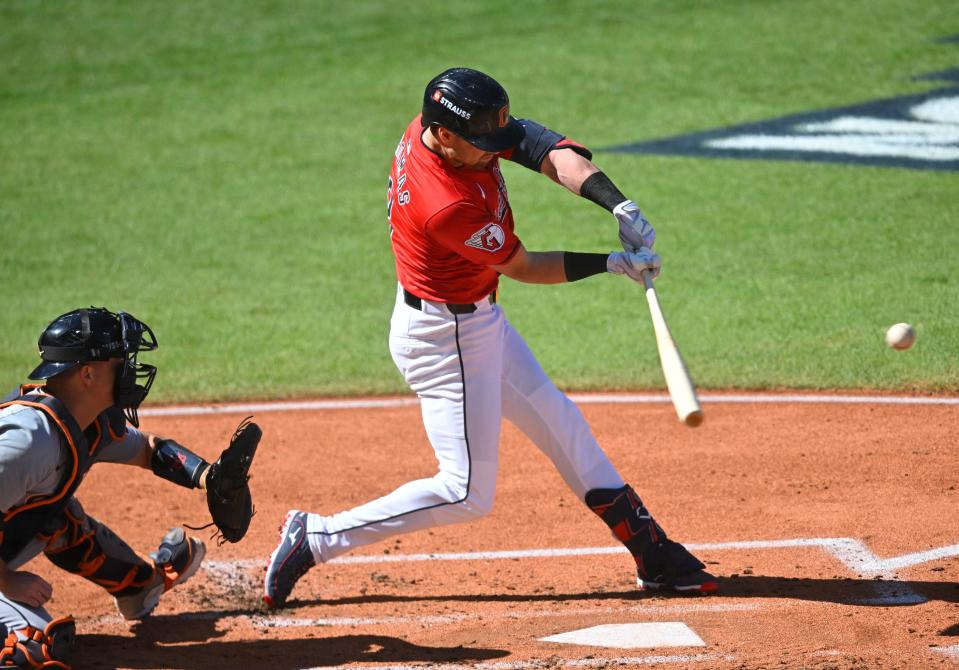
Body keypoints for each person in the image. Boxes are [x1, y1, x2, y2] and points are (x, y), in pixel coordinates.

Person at [264, 67, 717, 608]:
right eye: (483, 145)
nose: (494, 153)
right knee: (465, 492)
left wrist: (614, 203)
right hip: (444, 340)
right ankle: (315, 536)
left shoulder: (443, 130)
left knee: (559, 420)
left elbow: (538, 145)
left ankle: (654, 554)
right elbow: (524, 266)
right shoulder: (445, 203)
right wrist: (612, 263)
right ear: (447, 135)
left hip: (475, 323)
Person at [0, 308, 233, 669]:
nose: (129, 369)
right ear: (88, 374)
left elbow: (150, 451)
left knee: (60, 518)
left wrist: (209, 477)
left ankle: (138, 586)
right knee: (34, 649)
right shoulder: (29, 442)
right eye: (119, 361)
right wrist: (7, 580)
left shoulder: (85, 421)